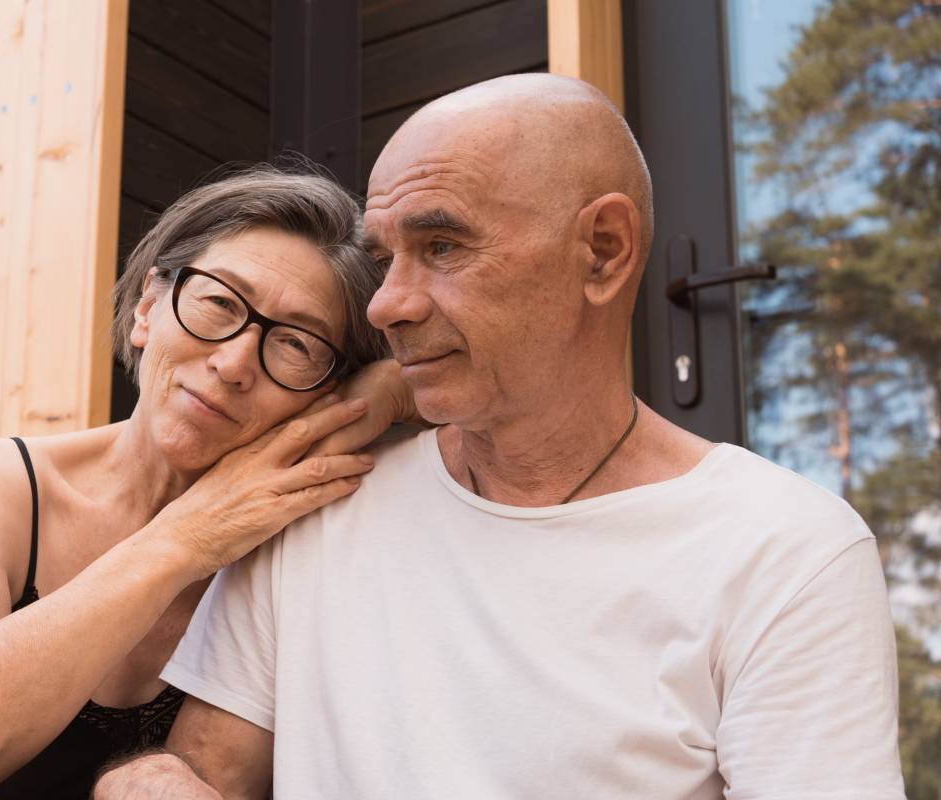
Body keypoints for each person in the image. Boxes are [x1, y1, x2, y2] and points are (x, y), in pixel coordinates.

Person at [95, 75, 905, 798]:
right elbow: (205, 772)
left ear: (603, 252)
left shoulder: (783, 552)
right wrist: (150, 778)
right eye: (386, 260)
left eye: (443, 246)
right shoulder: (319, 502)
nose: (386, 306)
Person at [0, 164, 416, 799]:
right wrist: (186, 538)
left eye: (296, 344)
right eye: (218, 303)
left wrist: (391, 389)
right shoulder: (0, 485)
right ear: (149, 309)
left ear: (327, 388)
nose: (234, 363)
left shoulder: (304, 526)